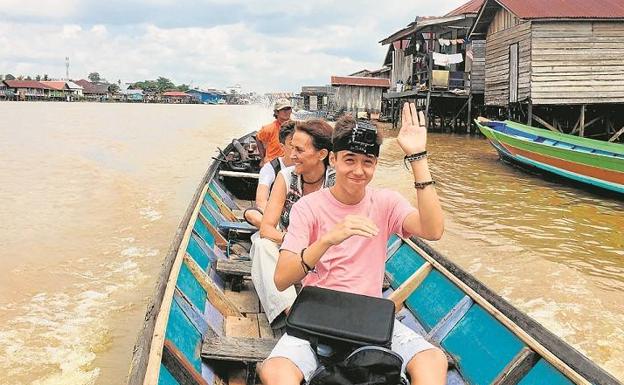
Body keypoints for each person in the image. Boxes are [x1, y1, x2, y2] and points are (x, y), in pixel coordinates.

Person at [260, 103, 447, 385]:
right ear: (333, 160)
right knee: (275, 372)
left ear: (375, 165)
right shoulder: (308, 208)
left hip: (369, 318)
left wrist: (418, 157)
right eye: (350, 160)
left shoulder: (386, 202)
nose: (359, 171)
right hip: (317, 319)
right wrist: (327, 240)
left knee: (433, 360)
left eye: (367, 162)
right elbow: (282, 278)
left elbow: (433, 230)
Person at [251, 119, 335, 327]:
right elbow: (266, 228)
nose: (292, 156)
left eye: (299, 150)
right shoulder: (285, 177)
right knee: (261, 245)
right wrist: (290, 241)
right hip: (289, 249)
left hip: (326, 252)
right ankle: (292, 314)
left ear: (322, 154)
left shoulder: (337, 181)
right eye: (291, 149)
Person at [244, 120, 296, 228]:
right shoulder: (271, 168)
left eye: (300, 146)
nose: (296, 150)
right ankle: (275, 230)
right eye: (292, 145)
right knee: (251, 214)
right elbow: (261, 200)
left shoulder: (308, 166)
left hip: (299, 216)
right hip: (275, 217)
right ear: (282, 147)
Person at [257, 98, 292, 164]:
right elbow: (258, 138)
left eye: (288, 108)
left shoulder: (296, 127)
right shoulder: (268, 129)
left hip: (290, 162)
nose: (286, 111)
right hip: (273, 164)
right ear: (276, 112)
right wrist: (262, 158)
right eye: (283, 109)